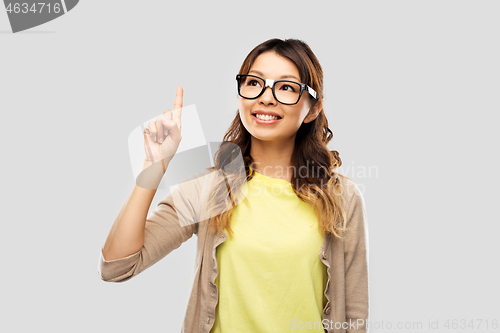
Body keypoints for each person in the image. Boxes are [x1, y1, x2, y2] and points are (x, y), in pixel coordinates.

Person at [98, 38, 369, 333]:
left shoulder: (340, 197)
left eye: (286, 87)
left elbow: (354, 313)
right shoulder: (211, 188)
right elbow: (117, 266)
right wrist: (153, 167)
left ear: (313, 108)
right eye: (254, 83)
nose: (266, 97)